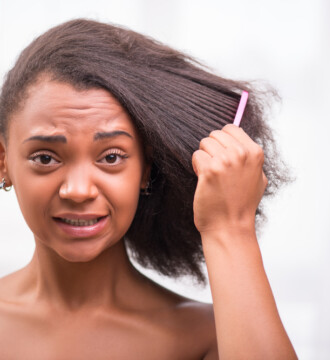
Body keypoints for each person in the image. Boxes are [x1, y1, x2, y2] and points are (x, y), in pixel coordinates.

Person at [0, 19, 297, 359]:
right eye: (46, 157)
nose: (78, 190)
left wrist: (230, 228)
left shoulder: (208, 338)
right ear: (3, 161)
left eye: (111, 157)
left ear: (146, 168)